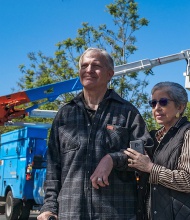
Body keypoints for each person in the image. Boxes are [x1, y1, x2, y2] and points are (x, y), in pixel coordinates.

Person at [37, 48, 153, 220]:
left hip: (115, 213)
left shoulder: (128, 113)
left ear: (110, 74)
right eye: (84, 65)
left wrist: (113, 159)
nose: (89, 70)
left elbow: (144, 151)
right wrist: (49, 207)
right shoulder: (65, 115)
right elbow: (54, 168)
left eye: (96, 65)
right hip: (70, 213)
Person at [124, 82, 190, 220]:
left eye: (163, 102)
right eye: (153, 103)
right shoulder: (153, 138)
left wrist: (150, 168)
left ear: (180, 107)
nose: (157, 108)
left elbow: (187, 181)